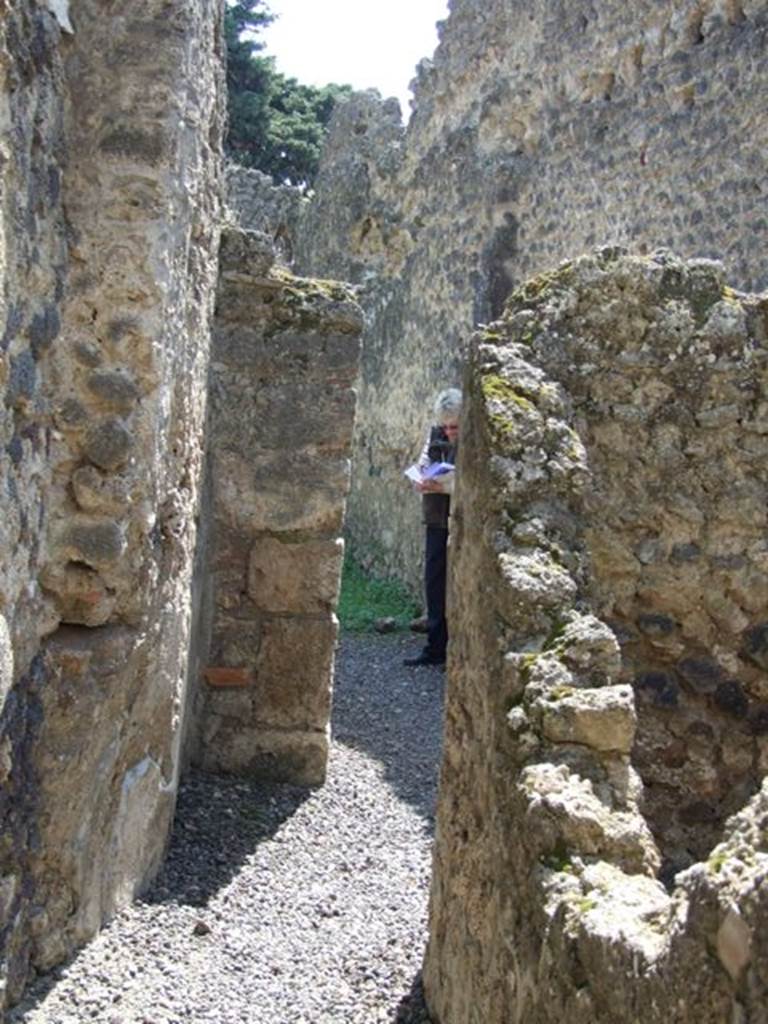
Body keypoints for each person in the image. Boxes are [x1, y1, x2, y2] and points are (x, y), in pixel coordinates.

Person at [404, 387, 462, 668]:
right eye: (446, 427)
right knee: (435, 581)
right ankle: (435, 648)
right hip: (438, 518)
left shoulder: (475, 437)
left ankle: (458, 651)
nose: (449, 433)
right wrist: (420, 479)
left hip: (463, 521)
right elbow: (422, 463)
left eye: (455, 427)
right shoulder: (436, 432)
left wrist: (445, 483)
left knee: (460, 583)